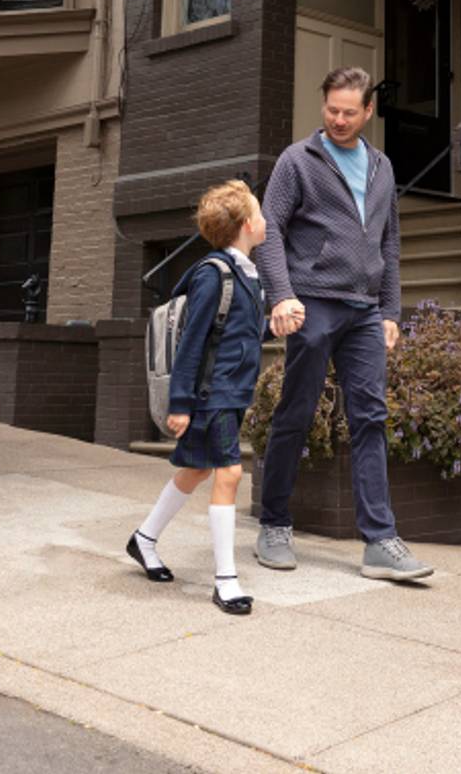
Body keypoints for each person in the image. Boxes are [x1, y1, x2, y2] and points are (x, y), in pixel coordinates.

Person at [252, 67, 434, 582]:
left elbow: (390, 242)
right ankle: (274, 524)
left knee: (371, 417)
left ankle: (380, 541)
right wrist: (281, 295)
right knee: (297, 411)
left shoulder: (382, 167)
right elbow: (269, 230)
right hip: (312, 302)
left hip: (364, 310)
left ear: (368, 111)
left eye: (349, 112)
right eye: (332, 109)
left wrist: (391, 311)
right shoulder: (297, 160)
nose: (338, 119)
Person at [126, 180, 269, 615]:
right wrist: (180, 403)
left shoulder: (247, 273)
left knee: (197, 470)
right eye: (259, 213)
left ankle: (143, 539)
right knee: (229, 473)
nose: (265, 220)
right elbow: (191, 343)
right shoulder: (214, 274)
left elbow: (240, 332)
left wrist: (276, 325)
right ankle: (226, 580)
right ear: (246, 225)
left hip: (232, 389)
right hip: (213, 392)